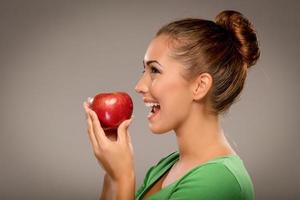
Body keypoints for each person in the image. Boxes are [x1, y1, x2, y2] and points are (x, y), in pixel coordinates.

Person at [83, 10, 260, 200]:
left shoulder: (221, 181)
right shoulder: (166, 167)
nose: (139, 86)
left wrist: (123, 177)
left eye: (155, 70)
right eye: (144, 70)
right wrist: (112, 174)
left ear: (199, 86)